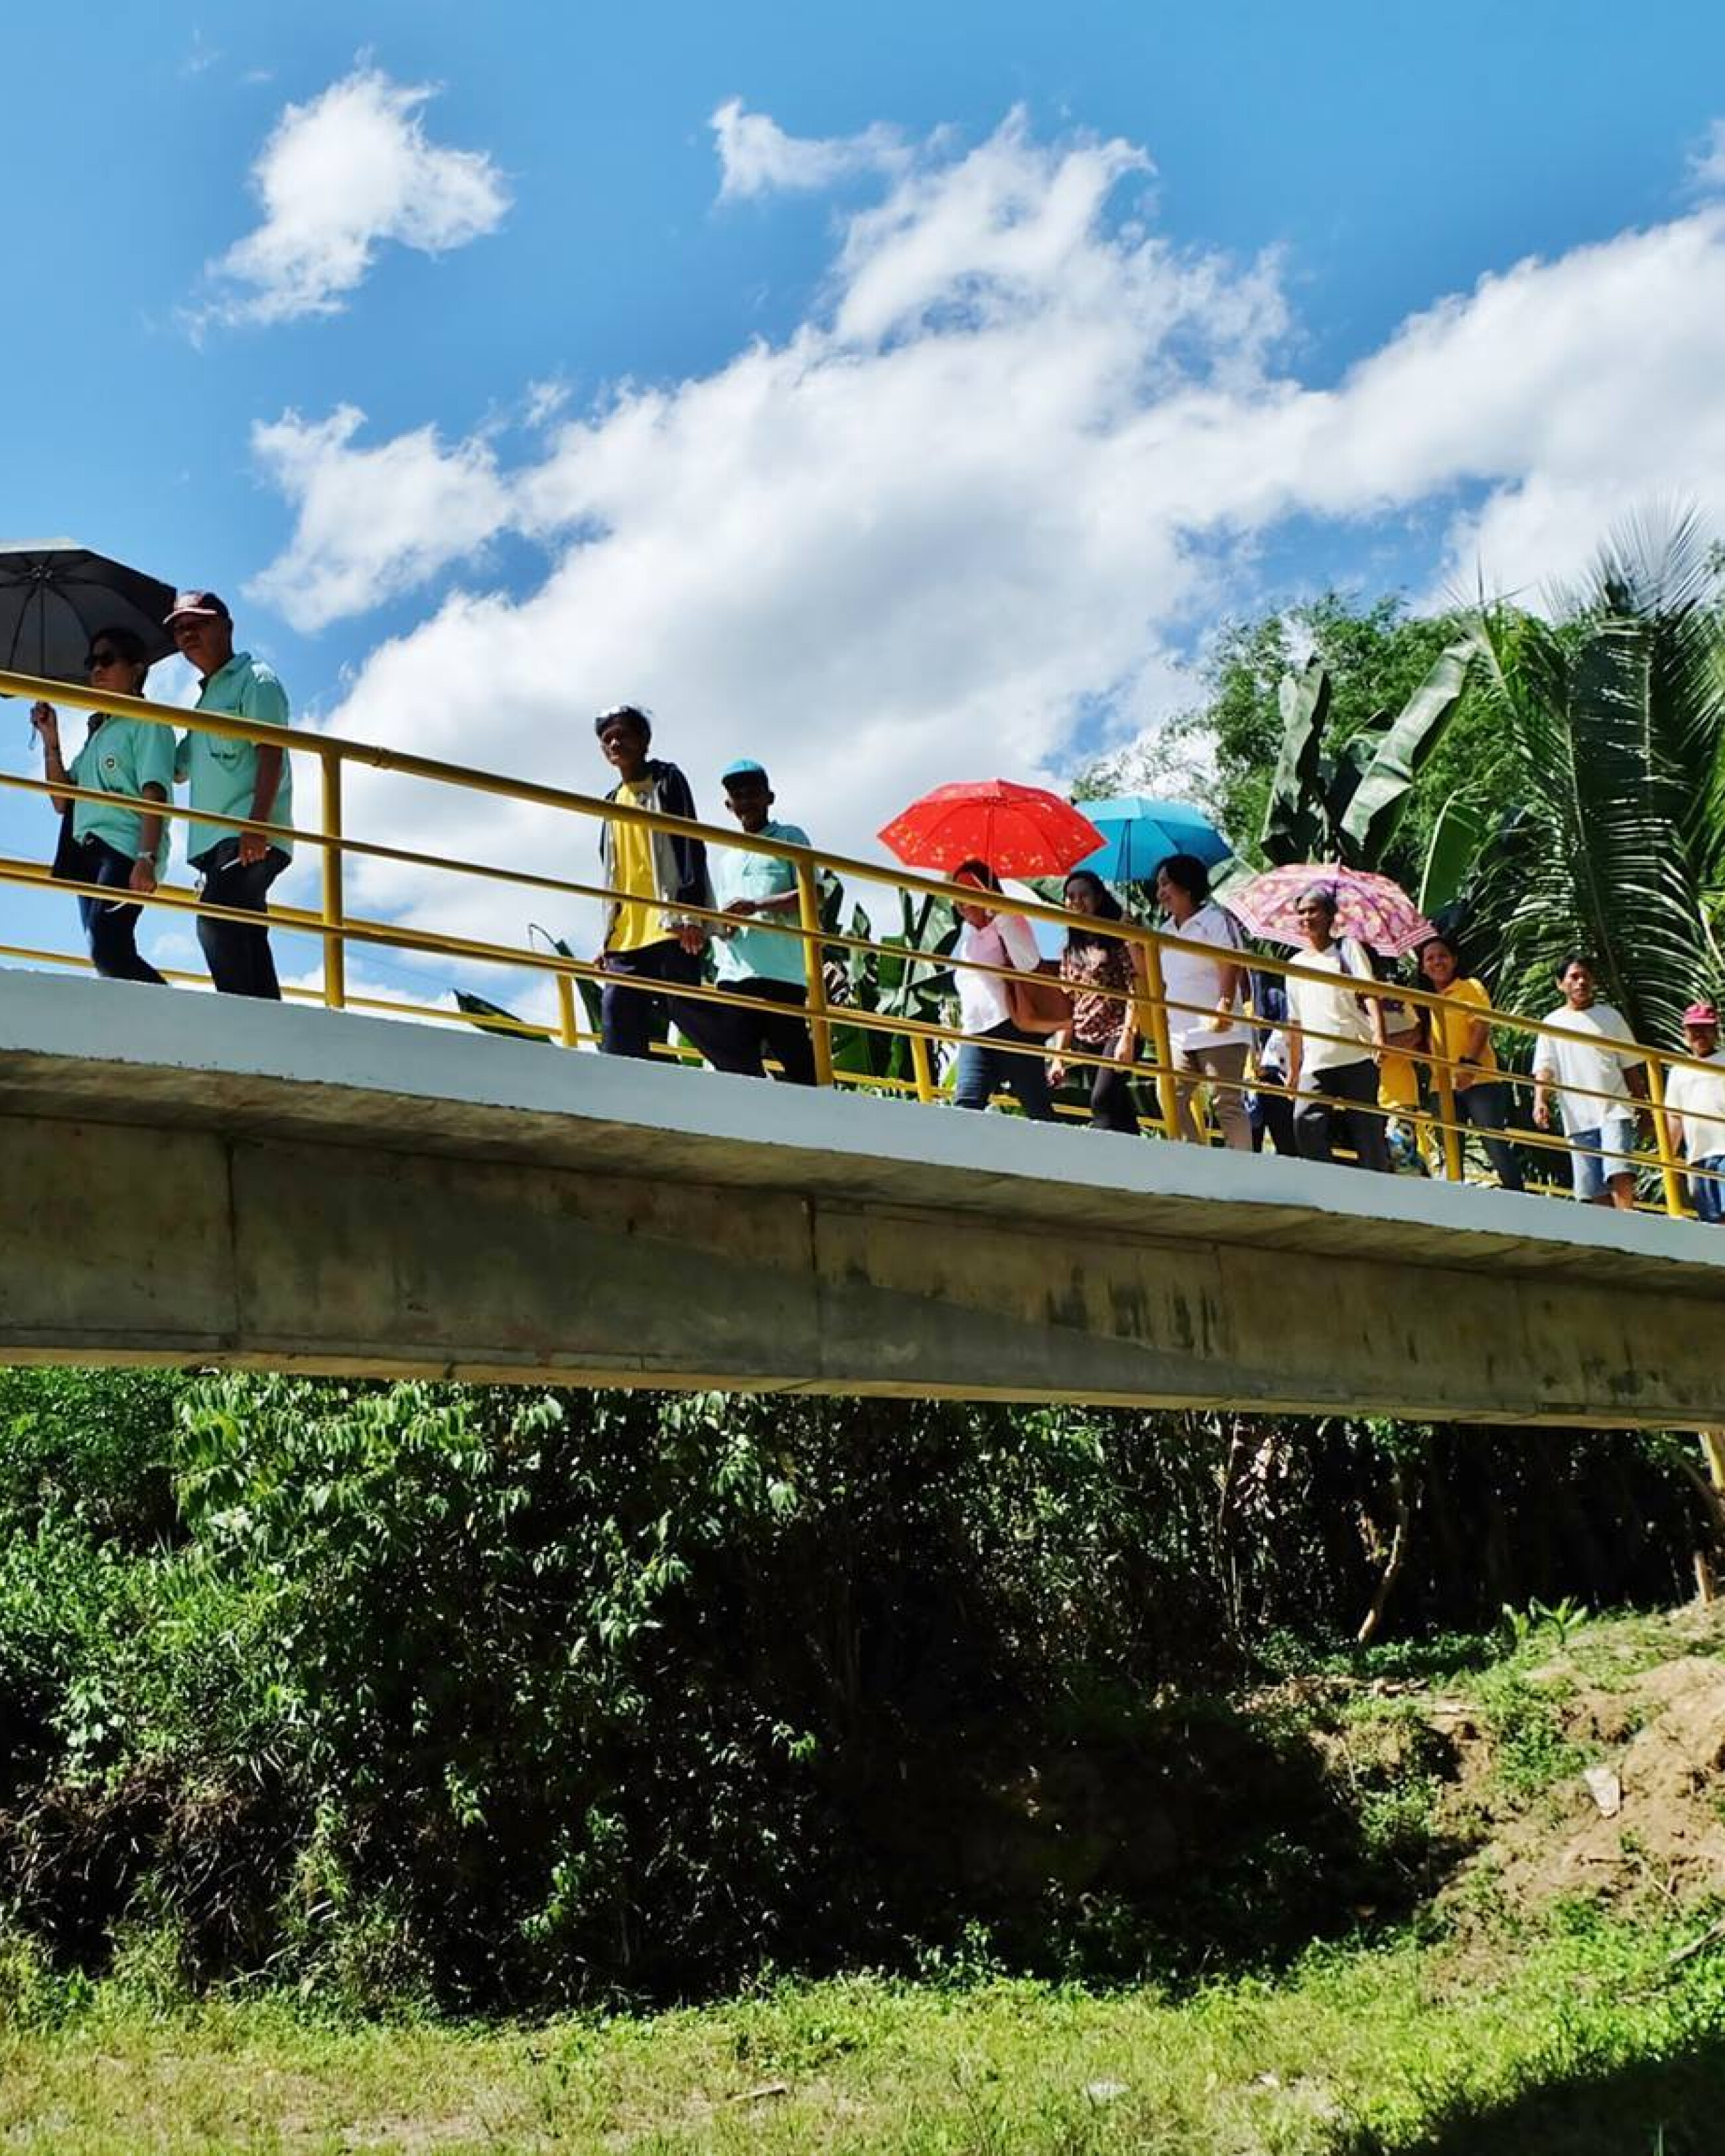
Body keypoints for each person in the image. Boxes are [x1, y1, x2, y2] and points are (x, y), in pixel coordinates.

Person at [167, 592, 293, 1000]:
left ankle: (242, 1024)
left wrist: (257, 824)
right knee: (248, 933)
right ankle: (272, 1030)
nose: (187, 635)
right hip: (217, 845)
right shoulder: (204, 702)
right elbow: (177, 769)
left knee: (215, 921)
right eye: (180, 629)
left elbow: (271, 752)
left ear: (227, 627)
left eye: (198, 624)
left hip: (248, 835)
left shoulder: (255, 680)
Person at [593, 705, 734, 1067]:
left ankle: (743, 1069)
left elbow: (689, 845)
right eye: (607, 738)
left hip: (669, 921)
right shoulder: (612, 802)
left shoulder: (667, 779)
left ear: (644, 741)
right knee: (616, 1010)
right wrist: (607, 937)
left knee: (685, 1006)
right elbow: (613, 872)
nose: (615, 742)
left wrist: (690, 914)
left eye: (623, 734)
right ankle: (623, 1087)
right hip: (627, 931)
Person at [30, 630, 173, 985]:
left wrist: (147, 857)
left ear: (137, 669)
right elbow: (63, 801)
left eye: (107, 660)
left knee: (107, 946)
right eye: (91, 662)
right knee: (106, 949)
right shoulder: (100, 732)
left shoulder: (148, 720)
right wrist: (51, 740)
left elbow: (154, 791)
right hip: (87, 853)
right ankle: (144, 1029)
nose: (97, 669)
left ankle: (172, 1014)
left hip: (124, 848)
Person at [700, 758, 816, 1084]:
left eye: (753, 792)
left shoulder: (790, 837)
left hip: (781, 973)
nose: (746, 800)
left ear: (770, 797)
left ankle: (814, 1124)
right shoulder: (728, 859)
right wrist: (724, 925)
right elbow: (722, 915)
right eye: (738, 795)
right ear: (728, 805)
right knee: (735, 1060)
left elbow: (813, 897)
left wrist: (757, 906)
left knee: (796, 1061)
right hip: (735, 972)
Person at [1282, 885, 1391, 1172]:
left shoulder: (1347, 948)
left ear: (1330, 916)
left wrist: (1379, 1035)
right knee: (1304, 1122)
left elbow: (1369, 992)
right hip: (1316, 1060)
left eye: (1313, 911)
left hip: (1355, 1053)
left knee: (1367, 1129)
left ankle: (1379, 1187)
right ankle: (1328, 1179)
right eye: (1302, 913)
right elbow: (1295, 1022)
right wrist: (1294, 1068)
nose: (1307, 918)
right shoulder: (1294, 964)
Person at [1152, 854, 1251, 1149]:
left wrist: (1224, 1004)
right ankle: (1194, 1157)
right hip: (1180, 1031)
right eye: (1159, 886)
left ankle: (1243, 1167)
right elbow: (1151, 972)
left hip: (1217, 1028)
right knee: (1170, 1094)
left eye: (1166, 884)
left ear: (1187, 886)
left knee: (1226, 1103)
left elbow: (1229, 962)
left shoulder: (1215, 920)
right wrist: (1132, 938)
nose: (1161, 893)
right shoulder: (1165, 930)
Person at [1531, 955, 1646, 1209]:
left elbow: (1630, 1066)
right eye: (1574, 977)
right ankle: (1609, 1238)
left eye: (1585, 976)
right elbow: (1545, 1068)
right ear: (1560, 984)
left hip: (1614, 1109)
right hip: (1577, 1116)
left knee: (1619, 1171)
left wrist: (1644, 1107)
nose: (1581, 982)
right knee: (1593, 1187)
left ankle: (1629, 1223)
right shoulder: (1552, 1023)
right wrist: (1540, 1101)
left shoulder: (1610, 1017)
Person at [1415, 933, 1525, 1192]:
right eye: (1430, 958)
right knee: (1451, 1147)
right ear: (1422, 966)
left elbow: (1481, 1027)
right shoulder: (1425, 1001)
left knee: (1493, 1141)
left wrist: (1468, 1066)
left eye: (1442, 956)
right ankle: (1456, 1198)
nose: (1437, 962)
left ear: (1454, 960)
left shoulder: (1470, 988)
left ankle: (1519, 1197)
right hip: (1441, 1084)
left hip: (1479, 1080)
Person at [950, 860, 1054, 1121]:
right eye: (957, 893)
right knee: (965, 1104)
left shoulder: (1008, 918)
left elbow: (1028, 962)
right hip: (975, 1032)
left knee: (1037, 1108)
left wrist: (1001, 915)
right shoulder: (966, 934)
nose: (963, 901)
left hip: (1012, 1027)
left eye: (969, 891)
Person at [1046, 870, 1143, 1134]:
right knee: (1118, 1106)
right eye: (1070, 896)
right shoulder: (1070, 951)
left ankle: (1103, 1162)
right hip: (1087, 1035)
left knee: (1101, 1100)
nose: (1076, 902)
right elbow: (1070, 1006)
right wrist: (1059, 1057)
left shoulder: (1116, 939)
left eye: (1084, 895)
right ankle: (1141, 1161)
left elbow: (1137, 983)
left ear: (1099, 899)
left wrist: (1128, 1036)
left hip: (1118, 1030)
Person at [1663, 1001, 1725, 1224]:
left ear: (1716, 1032)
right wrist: (1667, 1157)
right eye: (1694, 1029)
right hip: (1698, 1158)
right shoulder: (1679, 1071)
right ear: (1685, 1033)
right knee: (1711, 1220)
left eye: (1705, 1028)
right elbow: (1674, 1117)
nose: (1700, 1034)